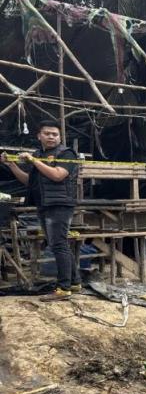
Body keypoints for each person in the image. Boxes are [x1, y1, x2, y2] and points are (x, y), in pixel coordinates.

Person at [2, 121, 80, 301]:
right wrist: (12, 165)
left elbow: (58, 175)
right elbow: (29, 182)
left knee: (58, 244)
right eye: (47, 133)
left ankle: (64, 288)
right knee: (58, 244)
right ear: (39, 136)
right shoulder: (39, 155)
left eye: (55, 134)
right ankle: (74, 282)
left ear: (60, 137)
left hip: (60, 205)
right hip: (44, 205)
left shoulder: (66, 153)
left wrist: (34, 161)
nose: (51, 137)